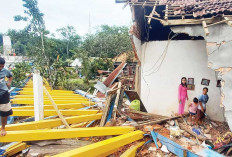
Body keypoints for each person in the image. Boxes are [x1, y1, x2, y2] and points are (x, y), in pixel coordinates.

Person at [0, 57, 13, 136]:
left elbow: (10, 76)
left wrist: (9, 82)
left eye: (2, 66)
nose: (1, 68)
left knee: (5, 112)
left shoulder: (5, 71)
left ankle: (3, 128)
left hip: (3, 93)